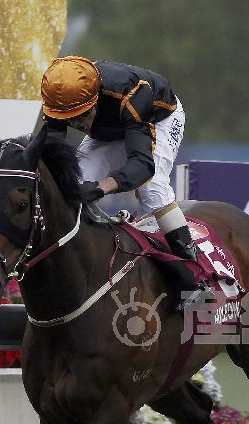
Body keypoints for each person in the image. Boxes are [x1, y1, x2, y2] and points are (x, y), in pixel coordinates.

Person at [40, 55, 211, 310]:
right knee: (71, 181)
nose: (77, 124)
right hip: (113, 127)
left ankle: (193, 275)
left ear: (95, 98)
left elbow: (142, 166)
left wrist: (99, 189)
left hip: (157, 118)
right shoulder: (59, 100)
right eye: (69, 120)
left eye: (82, 115)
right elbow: (54, 158)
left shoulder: (133, 93)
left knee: (150, 188)